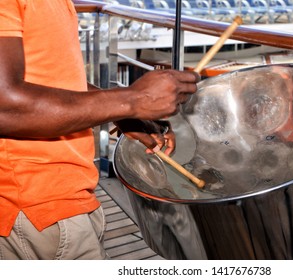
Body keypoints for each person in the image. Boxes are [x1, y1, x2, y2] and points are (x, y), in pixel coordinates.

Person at [0, 0, 199, 259]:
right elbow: (4, 107)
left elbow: (53, 81)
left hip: (58, 198)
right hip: (35, 206)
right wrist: (133, 100)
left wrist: (122, 112)